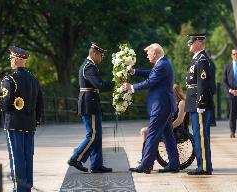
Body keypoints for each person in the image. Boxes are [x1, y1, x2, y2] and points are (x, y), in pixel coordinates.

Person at [0, 46, 43, 192]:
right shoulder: (33, 79)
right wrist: (36, 120)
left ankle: (19, 189)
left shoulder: (10, 79)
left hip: (14, 123)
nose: (10, 60)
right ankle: (26, 188)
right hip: (30, 124)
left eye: (12, 58)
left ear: (18, 60)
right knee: (28, 158)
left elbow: (7, 101)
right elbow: (40, 103)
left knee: (16, 158)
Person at [123, 43, 180, 173]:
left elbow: (150, 81)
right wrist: (135, 71)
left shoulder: (162, 65)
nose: (147, 56)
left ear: (155, 54)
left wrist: (131, 87)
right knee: (168, 137)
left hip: (161, 107)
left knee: (152, 136)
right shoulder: (162, 63)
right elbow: (151, 73)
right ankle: (174, 164)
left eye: (148, 53)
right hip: (165, 106)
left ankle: (146, 165)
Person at [67, 42, 115, 173]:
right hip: (90, 104)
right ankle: (75, 158)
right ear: (94, 53)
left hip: (92, 103)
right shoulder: (89, 67)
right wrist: (115, 82)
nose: (101, 58)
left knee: (97, 135)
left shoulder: (90, 66)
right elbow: (100, 85)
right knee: (93, 135)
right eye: (100, 55)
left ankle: (96, 164)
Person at [185, 34, 213, 175]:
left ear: (200, 43)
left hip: (198, 102)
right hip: (194, 100)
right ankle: (203, 165)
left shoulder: (201, 60)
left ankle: (204, 167)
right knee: (198, 135)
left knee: (200, 135)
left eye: (192, 42)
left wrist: (201, 103)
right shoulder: (196, 59)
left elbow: (203, 83)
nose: (189, 44)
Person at [206, 50, 217, 126]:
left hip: (209, 87)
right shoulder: (211, 62)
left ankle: (211, 121)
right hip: (211, 87)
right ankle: (212, 120)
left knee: (210, 105)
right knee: (210, 104)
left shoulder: (209, 63)